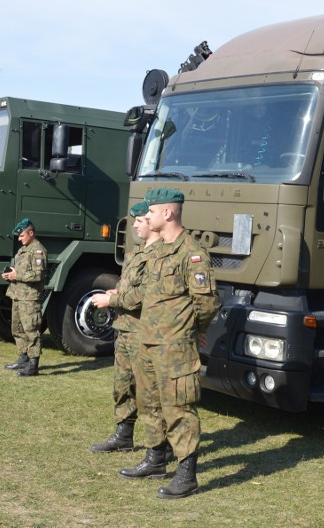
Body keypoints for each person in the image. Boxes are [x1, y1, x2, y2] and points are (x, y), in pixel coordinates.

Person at [120, 188, 220, 499]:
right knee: (149, 404)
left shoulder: (192, 253)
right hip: (147, 342)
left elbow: (206, 303)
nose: (145, 217)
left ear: (168, 213)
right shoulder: (157, 252)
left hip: (175, 346)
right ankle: (155, 459)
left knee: (178, 407)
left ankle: (187, 474)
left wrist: (192, 329)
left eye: (151, 212)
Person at [89, 201, 161, 453]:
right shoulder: (136, 254)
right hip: (126, 329)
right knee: (122, 384)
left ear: (152, 223)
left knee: (149, 391)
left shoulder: (161, 256)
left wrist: (113, 299)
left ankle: (161, 446)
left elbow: (146, 294)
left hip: (146, 331)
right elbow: (130, 287)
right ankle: (123, 434)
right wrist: (117, 290)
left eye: (140, 221)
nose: (136, 226)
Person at [2, 218, 47, 377]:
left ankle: (33, 364)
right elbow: (21, 272)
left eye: (21, 236)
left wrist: (17, 275)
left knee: (31, 329)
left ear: (31, 233)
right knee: (17, 328)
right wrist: (11, 273)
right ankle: (23, 358)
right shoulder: (23, 250)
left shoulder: (37, 250)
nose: (19, 239)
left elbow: (38, 274)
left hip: (29, 298)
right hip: (17, 295)